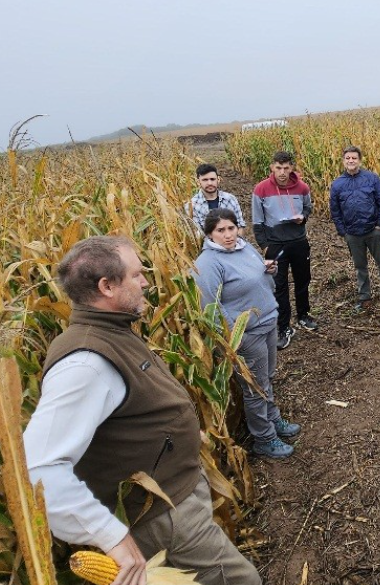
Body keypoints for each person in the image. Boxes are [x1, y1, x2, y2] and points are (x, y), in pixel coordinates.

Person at [24, 236, 261, 585]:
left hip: (173, 498)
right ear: (107, 286)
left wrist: (178, 432)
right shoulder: (84, 364)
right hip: (163, 519)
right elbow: (39, 466)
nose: (147, 281)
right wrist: (111, 536)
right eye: (136, 275)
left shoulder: (109, 330)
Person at [193, 209, 302, 459]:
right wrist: (235, 335)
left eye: (231, 228)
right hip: (247, 334)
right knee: (255, 387)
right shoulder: (207, 264)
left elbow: (259, 276)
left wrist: (269, 269)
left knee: (267, 378)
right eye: (220, 230)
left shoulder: (245, 248)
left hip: (267, 323)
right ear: (209, 234)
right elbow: (210, 306)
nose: (228, 235)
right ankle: (264, 438)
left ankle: (273, 418)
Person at [251, 151, 317, 350]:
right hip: (275, 245)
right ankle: (284, 326)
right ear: (272, 167)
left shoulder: (302, 187)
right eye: (278, 168)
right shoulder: (261, 189)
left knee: (303, 280)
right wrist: (265, 246)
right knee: (279, 286)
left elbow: (308, 208)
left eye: (286, 168)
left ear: (291, 168)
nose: (282, 172)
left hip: (298, 242)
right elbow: (257, 221)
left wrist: (302, 218)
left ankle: (303, 315)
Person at [329, 145, 380, 312]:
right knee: (360, 267)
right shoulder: (337, 184)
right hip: (352, 233)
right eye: (348, 158)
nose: (351, 161)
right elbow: (335, 210)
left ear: (359, 160)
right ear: (343, 161)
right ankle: (364, 296)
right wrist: (343, 231)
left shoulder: (371, 178)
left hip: (372, 230)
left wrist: (379, 224)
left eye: (354, 158)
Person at [186, 163, 246, 234]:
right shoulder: (192, 206)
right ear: (198, 182)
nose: (209, 183)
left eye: (212, 179)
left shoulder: (230, 199)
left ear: (218, 179)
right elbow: (196, 234)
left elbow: (240, 226)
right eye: (205, 180)